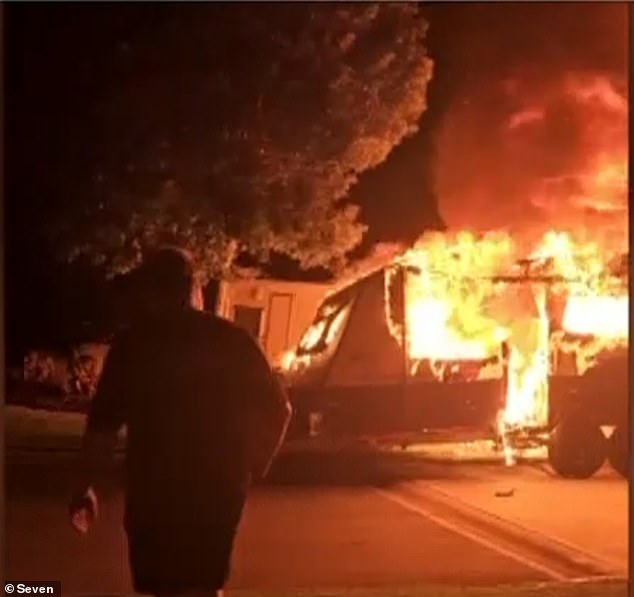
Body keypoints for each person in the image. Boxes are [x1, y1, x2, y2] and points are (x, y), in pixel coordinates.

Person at [68, 247, 292, 597]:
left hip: (154, 492)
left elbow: (103, 428)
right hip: (218, 488)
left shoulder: (134, 345)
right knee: (204, 585)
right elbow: (278, 408)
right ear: (193, 289)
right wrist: (254, 466)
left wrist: (86, 486)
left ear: (152, 291)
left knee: (165, 588)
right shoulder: (233, 341)